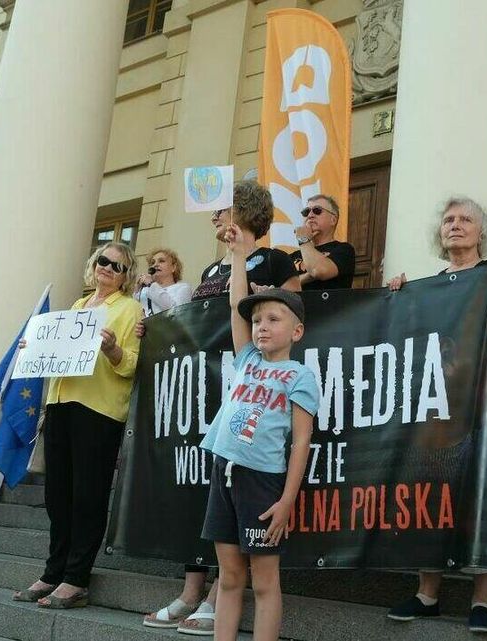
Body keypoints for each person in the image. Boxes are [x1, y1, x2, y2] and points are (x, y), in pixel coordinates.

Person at [142, 179, 300, 634]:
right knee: (203, 499)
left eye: (223, 210)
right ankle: (194, 590)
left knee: (253, 566)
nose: (215, 218)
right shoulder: (217, 265)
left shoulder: (273, 260)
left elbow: (261, 308)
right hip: (209, 390)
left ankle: (214, 598)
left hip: (257, 437)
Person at [386, 197, 487, 634]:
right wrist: (397, 297)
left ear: (482, 232)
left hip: (484, 416)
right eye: (448, 220)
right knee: (428, 501)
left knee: (483, 501)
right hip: (435, 417)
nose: (455, 226)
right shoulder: (428, 287)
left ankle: (483, 599)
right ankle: (427, 594)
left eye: (466, 220)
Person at [201, 221, 319, 641]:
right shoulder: (247, 357)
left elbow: (302, 442)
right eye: (258, 320)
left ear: (297, 331)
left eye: (274, 318)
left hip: (262, 482)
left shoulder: (299, 376)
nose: (262, 325)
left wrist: (287, 500)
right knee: (230, 577)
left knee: (265, 582)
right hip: (224, 472)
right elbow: (238, 302)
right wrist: (236, 255)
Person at [13, 242, 142, 609]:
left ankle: (76, 579)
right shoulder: (77, 307)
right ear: (93, 264)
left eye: (117, 266)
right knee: (58, 495)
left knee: (88, 496)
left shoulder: (130, 309)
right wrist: (33, 346)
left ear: (126, 276)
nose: (108, 268)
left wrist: (113, 349)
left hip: (98, 409)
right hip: (60, 404)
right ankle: (53, 573)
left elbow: (133, 362)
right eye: (103, 261)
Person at [192, 180, 301, 300]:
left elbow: (296, 310)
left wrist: (268, 300)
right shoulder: (209, 271)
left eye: (220, 210)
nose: (213, 218)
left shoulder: (276, 260)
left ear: (244, 209)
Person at [289, 194, 357, 290]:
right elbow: (281, 288)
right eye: (306, 212)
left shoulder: (344, 250)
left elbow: (319, 271)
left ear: (333, 220)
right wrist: (309, 276)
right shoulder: (291, 257)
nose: (310, 215)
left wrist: (303, 240)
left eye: (317, 210)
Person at [134, 248, 192, 316]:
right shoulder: (144, 291)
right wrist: (136, 291)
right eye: (153, 263)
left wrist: (151, 284)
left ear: (173, 267)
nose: (155, 265)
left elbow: (176, 313)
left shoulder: (183, 288)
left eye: (161, 261)